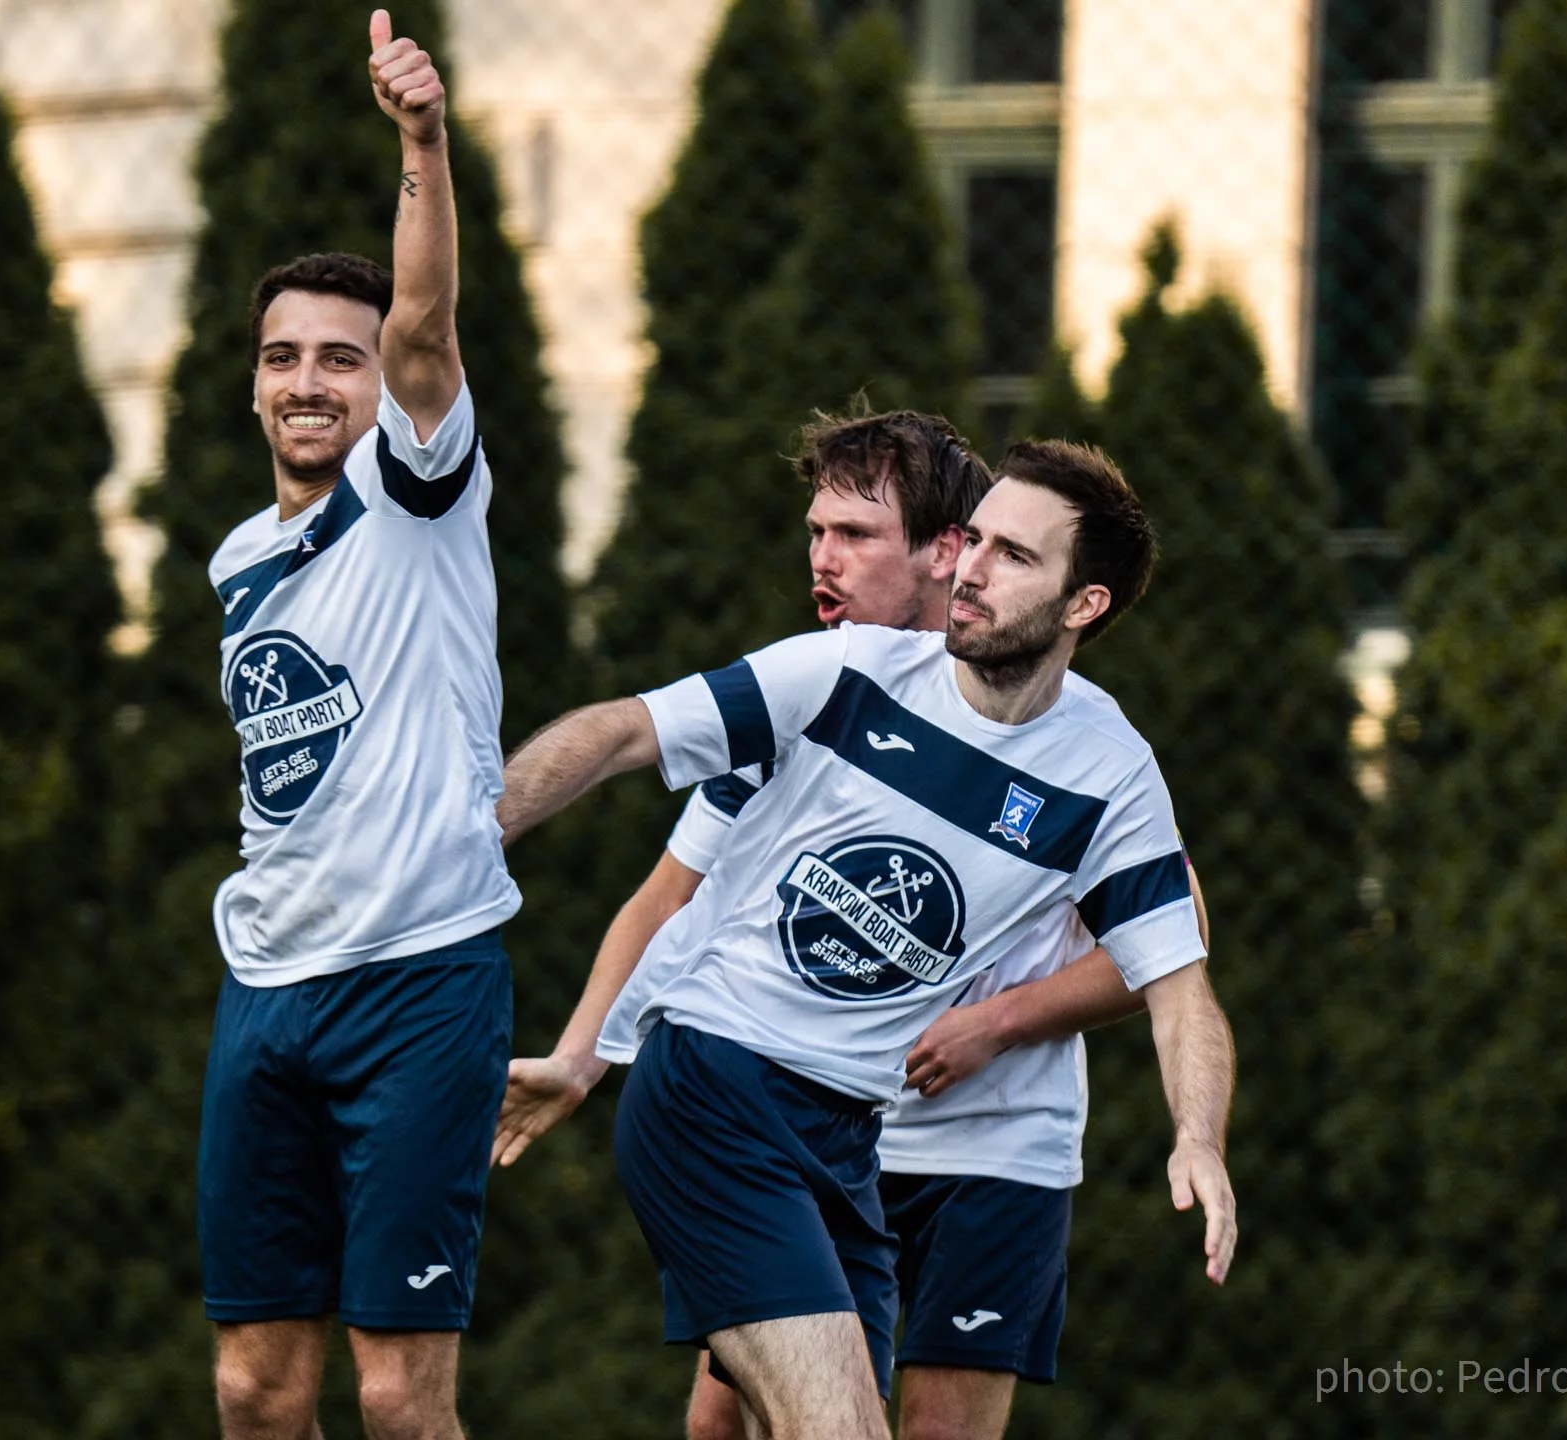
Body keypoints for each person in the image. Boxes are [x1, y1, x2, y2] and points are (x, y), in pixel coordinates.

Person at [498, 441, 1238, 1440]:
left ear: (1083, 606)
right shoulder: (846, 671)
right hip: (718, 1092)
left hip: (854, 1136)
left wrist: (1198, 1136)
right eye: (973, 542)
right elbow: (626, 731)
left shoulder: (1108, 774)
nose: (971, 569)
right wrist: (470, 831)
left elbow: (1177, 982)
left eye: (1013, 555)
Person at [195, 13, 514, 1438]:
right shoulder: (232, 560)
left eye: (342, 355)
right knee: (255, 1389)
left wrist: (423, 144)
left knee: (398, 1398)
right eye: (283, 358)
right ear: (253, 380)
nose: (311, 380)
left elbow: (432, 321)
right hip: (264, 989)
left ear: (385, 385)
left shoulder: (417, 491)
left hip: (419, 985)